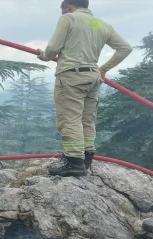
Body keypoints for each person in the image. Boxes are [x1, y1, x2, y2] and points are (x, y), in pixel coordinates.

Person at [37, 0, 132, 177]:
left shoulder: (69, 19)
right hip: (93, 77)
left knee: (70, 119)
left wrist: (43, 56)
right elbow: (125, 48)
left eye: (63, 11)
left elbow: (52, 49)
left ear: (68, 7)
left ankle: (74, 162)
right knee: (87, 119)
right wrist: (103, 69)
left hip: (71, 76)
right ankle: (87, 157)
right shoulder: (102, 24)